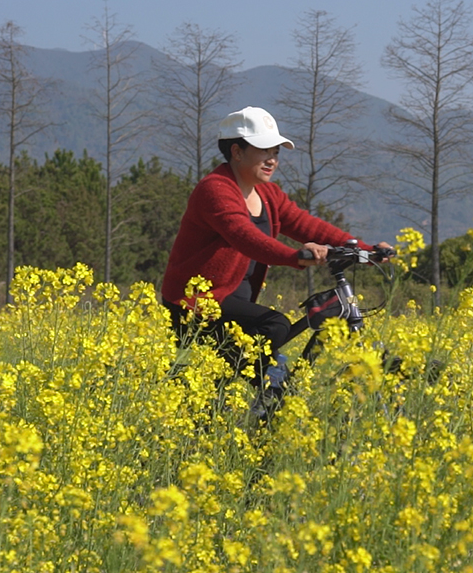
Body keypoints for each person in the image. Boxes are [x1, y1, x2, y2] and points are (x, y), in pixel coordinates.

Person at [160, 106, 384, 409]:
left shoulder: (267, 194)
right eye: (264, 150)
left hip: (232, 302)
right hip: (196, 302)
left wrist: (365, 249)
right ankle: (256, 398)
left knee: (265, 357)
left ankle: (255, 399)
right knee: (274, 326)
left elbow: (306, 224)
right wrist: (296, 256)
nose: (273, 160)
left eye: (276, 152)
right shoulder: (215, 189)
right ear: (236, 152)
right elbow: (245, 237)